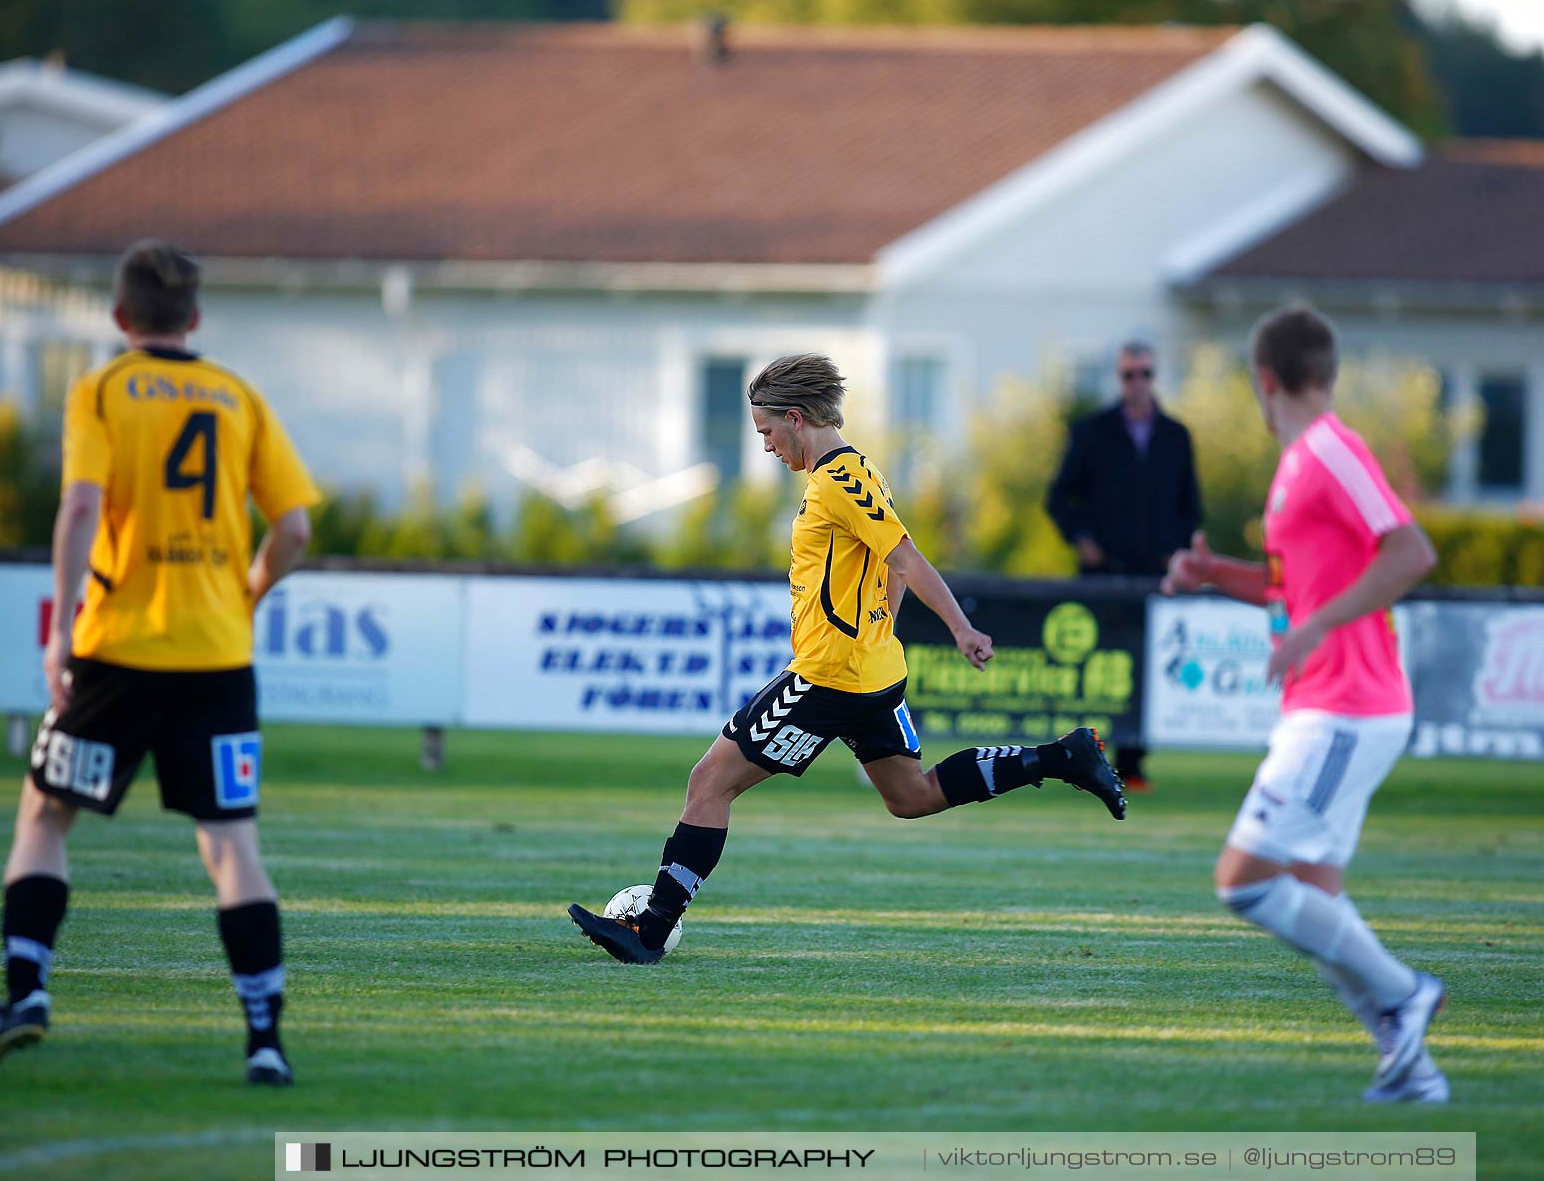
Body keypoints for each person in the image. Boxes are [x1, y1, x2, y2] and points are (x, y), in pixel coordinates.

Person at [568, 354, 1127, 964]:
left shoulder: (837, 480)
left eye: (766, 432)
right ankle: (1060, 756)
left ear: (795, 417)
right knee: (911, 796)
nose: (766, 446)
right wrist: (883, 619)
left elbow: (908, 556)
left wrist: (962, 628)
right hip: (874, 674)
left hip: (827, 676)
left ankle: (650, 931)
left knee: (708, 784)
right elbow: (891, 561)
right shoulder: (860, 471)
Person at [0, 241, 319, 1085]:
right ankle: (264, 1039)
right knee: (232, 843)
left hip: (118, 651)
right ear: (194, 319)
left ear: (120, 318)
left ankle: (26, 991)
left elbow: (83, 503)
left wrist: (60, 630)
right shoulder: (237, 396)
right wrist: (248, 589)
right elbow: (297, 529)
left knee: (46, 817)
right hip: (216, 656)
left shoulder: (101, 390)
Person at [1161, 304, 1447, 1103]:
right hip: (1329, 705)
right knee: (1316, 900)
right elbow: (1294, 594)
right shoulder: (1296, 466)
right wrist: (1217, 574)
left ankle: (1405, 994)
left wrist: (1314, 628)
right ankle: (1411, 1071)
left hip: (1349, 707)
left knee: (1244, 881)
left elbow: (1412, 551)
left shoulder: (1329, 450)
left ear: (1265, 380)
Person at [1047, 340, 1202, 792]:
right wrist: (1081, 539)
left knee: (1146, 667)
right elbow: (1059, 498)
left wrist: (1178, 550)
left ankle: (1132, 765)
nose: (1138, 383)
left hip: (1155, 575)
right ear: (1119, 378)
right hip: (1104, 575)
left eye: (1145, 374)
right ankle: (1081, 757)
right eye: (1129, 374)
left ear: (1155, 377)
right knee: (1098, 668)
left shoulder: (1176, 436)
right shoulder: (1093, 431)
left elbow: (1190, 507)